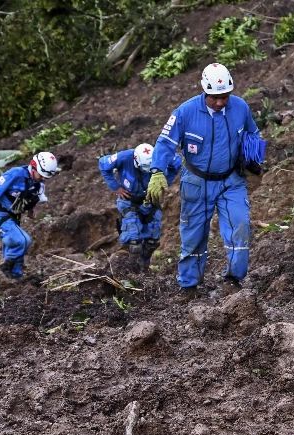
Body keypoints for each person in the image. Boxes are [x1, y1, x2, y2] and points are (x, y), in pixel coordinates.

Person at [147, 62, 265, 297]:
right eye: (214, 97)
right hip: (197, 181)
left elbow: (253, 133)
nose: (220, 102)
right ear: (204, 91)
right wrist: (157, 171)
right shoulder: (185, 112)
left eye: (224, 97)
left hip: (231, 180)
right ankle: (189, 285)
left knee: (239, 226)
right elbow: (165, 143)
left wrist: (254, 156)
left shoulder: (240, 107)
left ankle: (233, 280)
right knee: (194, 234)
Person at [0, 151, 60, 279]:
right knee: (22, 240)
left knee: (16, 243)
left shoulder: (37, 183)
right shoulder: (15, 174)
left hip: (13, 216)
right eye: (41, 175)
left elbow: (32, 198)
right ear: (33, 166)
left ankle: (15, 276)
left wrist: (30, 211)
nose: (43, 179)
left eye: (45, 177)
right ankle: (6, 266)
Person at [98, 144, 181, 268]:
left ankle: (144, 265)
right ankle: (131, 268)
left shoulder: (162, 154)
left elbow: (177, 163)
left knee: (153, 240)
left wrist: (165, 181)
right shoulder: (124, 157)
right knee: (134, 240)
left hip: (151, 200)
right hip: (128, 200)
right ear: (136, 161)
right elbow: (103, 164)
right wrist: (115, 187)